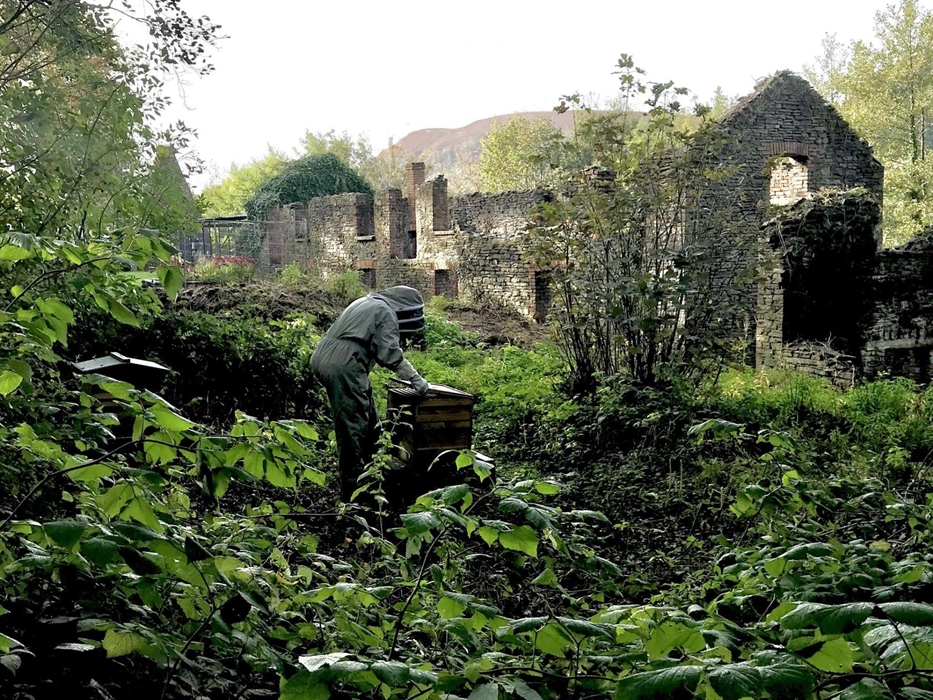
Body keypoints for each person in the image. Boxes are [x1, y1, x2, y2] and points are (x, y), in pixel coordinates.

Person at [311, 285, 429, 501]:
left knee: (369, 418)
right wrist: (414, 377)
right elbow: (389, 354)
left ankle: (374, 470)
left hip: (327, 358)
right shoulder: (385, 312)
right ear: (405, 308)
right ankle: (354, 492)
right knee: (352, 428)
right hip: (343, 365)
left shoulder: (367, 302)